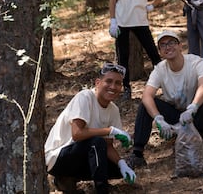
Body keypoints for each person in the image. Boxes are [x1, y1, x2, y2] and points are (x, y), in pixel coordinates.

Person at [127, 30, 203, 167]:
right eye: (163, 45)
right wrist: (158, 118)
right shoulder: (159, 69)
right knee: (146, 104)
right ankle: (137, 153)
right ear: (160, 51)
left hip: (198, 114)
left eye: (172, 43)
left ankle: (187, 136)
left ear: (180, 46)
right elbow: (146, 95)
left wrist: (193, 108)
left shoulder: (196, 62)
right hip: (177, 115)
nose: (168, 47)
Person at [45, 63, 136, 193]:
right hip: (57, 158)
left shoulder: (113, 110)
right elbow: (77, 134)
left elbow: (108, 146)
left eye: (118, 83)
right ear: (98, 82)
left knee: (118, 167)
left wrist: (122, 164)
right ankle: (101, 190)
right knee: (97, 143)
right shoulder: (85, 97)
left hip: (81, 155)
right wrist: (110, 131)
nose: (113, 87)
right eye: (108, 81)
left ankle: (68, 179)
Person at [105, 0, 163, 101]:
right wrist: (113, 21)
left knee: (153, 53)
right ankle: (126, 88)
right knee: (123, 58)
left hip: (140, 21)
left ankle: (165, 83)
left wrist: (152, 5)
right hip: (123, 22)